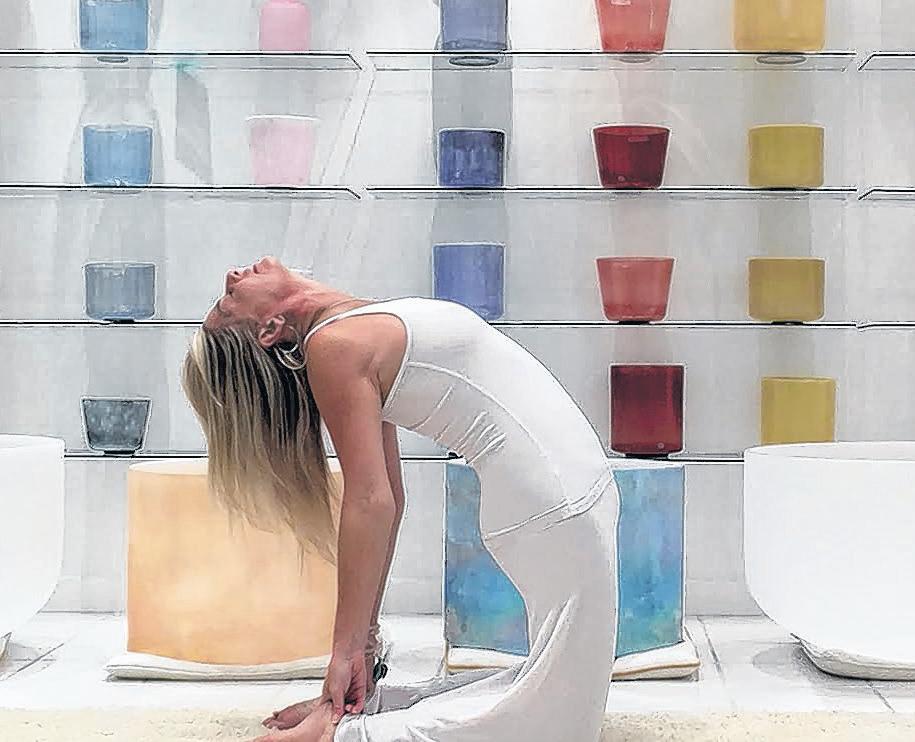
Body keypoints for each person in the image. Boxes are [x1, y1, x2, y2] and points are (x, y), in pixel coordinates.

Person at [182, 256, 621, 742]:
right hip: (552, 504)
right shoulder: (332, 346)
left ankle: (355, 715)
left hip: (562, 493)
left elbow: (387, 501)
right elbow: (373, 502)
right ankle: (344, 733)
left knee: (554, 696)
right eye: (228, 301)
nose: (232, 276)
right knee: (558, 722)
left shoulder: (347, 325)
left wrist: (361, 653)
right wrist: (347, 654)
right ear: (269, 329)